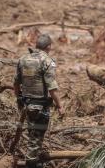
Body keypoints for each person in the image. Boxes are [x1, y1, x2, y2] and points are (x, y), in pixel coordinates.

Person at [13, 34, 64, 168]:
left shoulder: (23, 59)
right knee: (35, 140)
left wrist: (19, 98)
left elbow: (16, 82)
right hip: (39, 107)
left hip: (26, 104)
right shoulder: (47, 61)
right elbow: (52, 87)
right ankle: (31, 164)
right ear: (49, 47)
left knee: (33, 136)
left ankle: (35, 162)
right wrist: (60, 105)